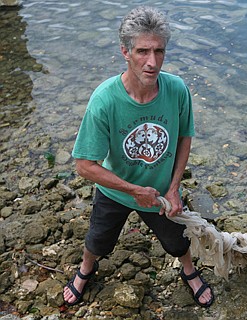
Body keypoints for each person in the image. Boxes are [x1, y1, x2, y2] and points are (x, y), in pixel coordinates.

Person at [63, 6, 214, 308]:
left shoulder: (177, 90)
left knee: (177, 242)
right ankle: (85, 269)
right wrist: (133, 191)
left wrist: (173, 187)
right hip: (116, 192)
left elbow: (185, 137)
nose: (152, 62)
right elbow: (84, 166)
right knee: (98, 241)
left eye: (159, 51)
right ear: (125, 51)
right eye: (143, 51)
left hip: (160, 192)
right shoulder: (104, 100)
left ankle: (189, 271)